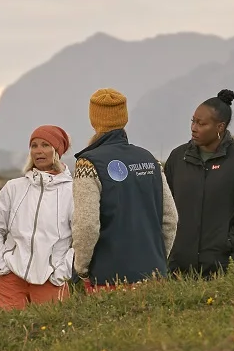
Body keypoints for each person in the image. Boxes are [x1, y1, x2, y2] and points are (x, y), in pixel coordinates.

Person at [72, 87, 178, 287]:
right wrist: (157, 259)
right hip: (154, 276)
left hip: (109, 278)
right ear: (124, 118)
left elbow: (87, 224)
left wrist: (82, 268)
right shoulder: (150, 160)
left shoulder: (88, 164)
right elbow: (170, 219)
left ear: (93, 120)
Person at [165, 88, 234, 276]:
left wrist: (228, 243)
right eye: (193, 121)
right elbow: (163, 204)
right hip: (177, 270)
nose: (194, 128)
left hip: (222, 269)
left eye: (201, 123)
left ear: (220, 127)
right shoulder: (178, 158)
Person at [0, 126, 74, 308]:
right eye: (34, 145)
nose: (38, 151)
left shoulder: (72, 191)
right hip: (11, 279)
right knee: (5, 333)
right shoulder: (13, 187)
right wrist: (1, 264)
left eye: (45, 145)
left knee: (51, 335)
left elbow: (81, 238)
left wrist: (61, 272)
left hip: (51, 279)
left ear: (57, 151)